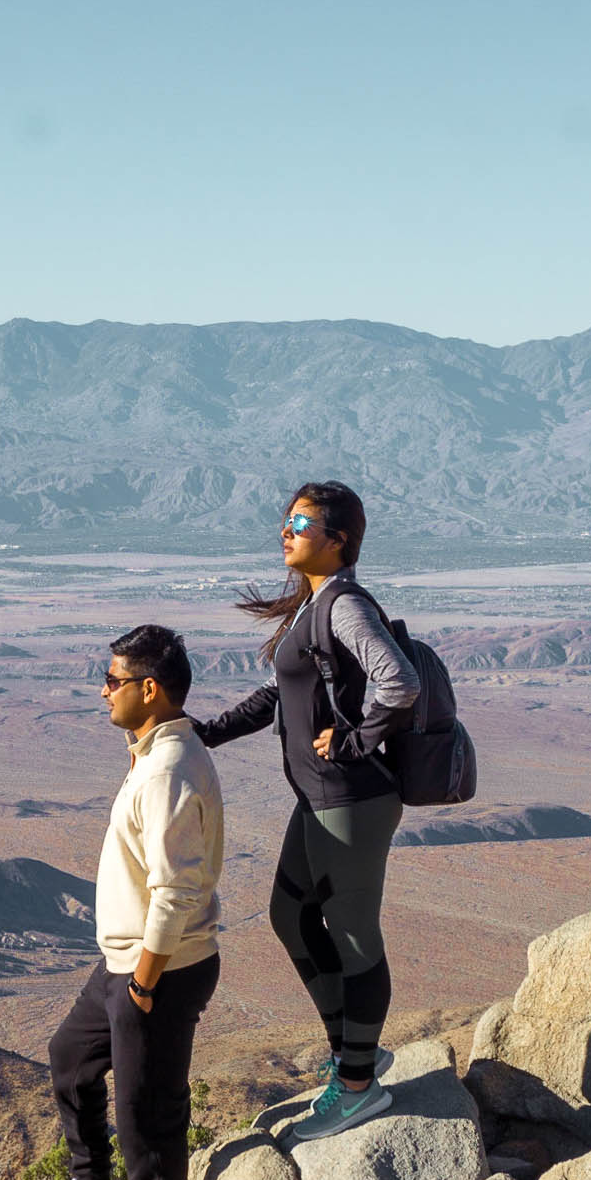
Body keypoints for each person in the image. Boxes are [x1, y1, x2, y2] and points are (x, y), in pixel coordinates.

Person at [195, 480, 418, 1142]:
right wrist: (206, 730)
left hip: (352, 800)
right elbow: (277, 697)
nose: (285, 531)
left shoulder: (343, 604)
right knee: (290, 915)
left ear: (338, 537)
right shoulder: (314, 606)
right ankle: (356, 1048)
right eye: (286, 518)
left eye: (300, 521)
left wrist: (357, 737)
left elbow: (399, 680)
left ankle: (357, 1088)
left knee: (351, 934)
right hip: (318, 799)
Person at [21, 624, 225, 1180]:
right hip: (126, 962)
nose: (104, 691)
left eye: (114, 680)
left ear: (151, 688)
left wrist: (143, 982)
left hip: (159, 966)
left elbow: (175, 889)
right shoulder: (152, 753)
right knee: (70, 1060)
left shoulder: (167, 770)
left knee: (147, 1120)